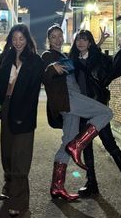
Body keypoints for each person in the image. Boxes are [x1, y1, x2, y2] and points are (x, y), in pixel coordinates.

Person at [41, 24, 113, 201]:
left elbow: (81, 55)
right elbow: (44, 72)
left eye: (60, 36)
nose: (57, 39)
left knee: (67, 141)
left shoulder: (66, 56)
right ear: (48, 40)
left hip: (70, 105)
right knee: (106, 113)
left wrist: (99, 42)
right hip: (68, 99)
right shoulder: (48, 56)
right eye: (53, 37)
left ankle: (57, 187)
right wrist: (52, 68)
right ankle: (78, 144)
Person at [69, 29, 121, 212]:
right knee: (87, 148)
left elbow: (115, 67)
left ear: (90, 43)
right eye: (78, 40)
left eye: (85, 39)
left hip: (98, 110)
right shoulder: (73, 62)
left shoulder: (99, 60)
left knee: (111, 146)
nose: (81, 42)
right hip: (82, 111)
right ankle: (91, 183)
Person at [0, 23, 44, 217]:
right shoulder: (5, 58)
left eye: (21, 38)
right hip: (6, 108)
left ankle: (19, 200)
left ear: (27, 39)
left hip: (25, 111)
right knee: (7, 153)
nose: (18, 42)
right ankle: (9, 185)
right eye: (14, 39)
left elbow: (35, 89)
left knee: (20, 157)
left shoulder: (35, 61)